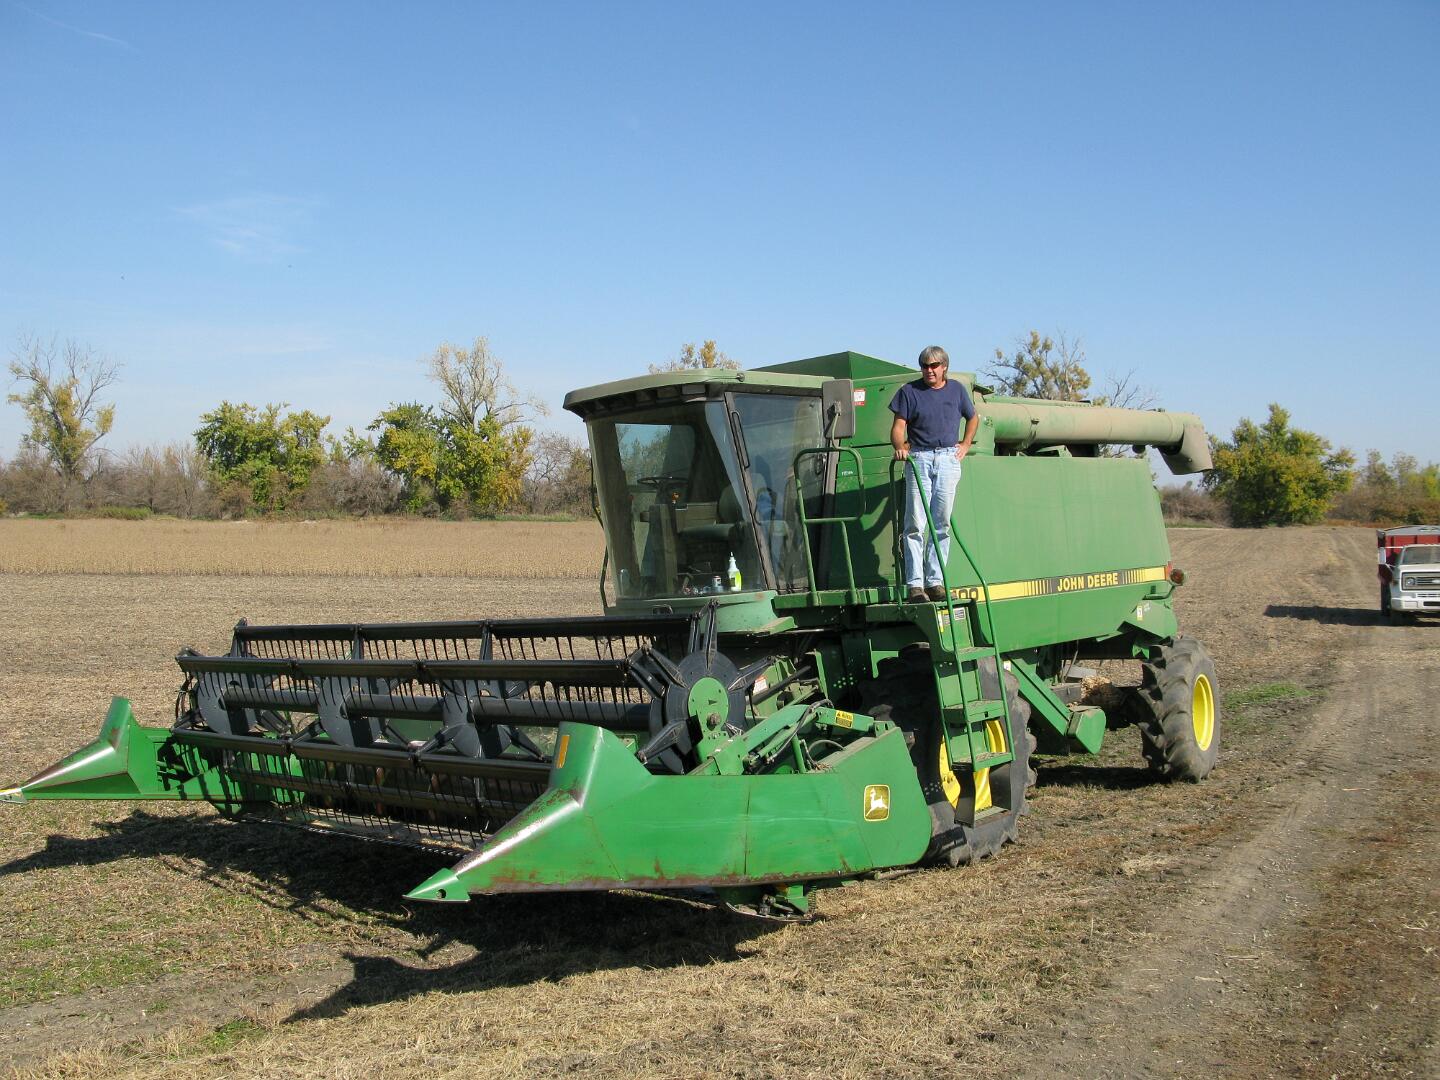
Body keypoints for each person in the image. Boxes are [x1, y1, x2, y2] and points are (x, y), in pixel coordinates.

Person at [889, 345, 979, 603]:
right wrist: (899, 447)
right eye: (924, 366)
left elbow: (973, 418)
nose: (929, 370)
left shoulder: (957, 390)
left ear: (944, 367)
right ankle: (915, 585)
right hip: (919, 458)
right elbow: (898, 427)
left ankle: (935, 582)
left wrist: (966, 444)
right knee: (915, 524)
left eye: (933, 366)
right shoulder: (909, 392)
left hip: (948, 458)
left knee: (941, 523)